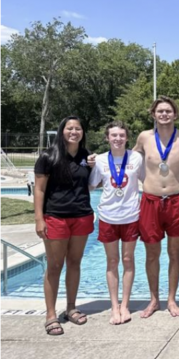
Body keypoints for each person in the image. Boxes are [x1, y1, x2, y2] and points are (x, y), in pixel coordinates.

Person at [133, 96, 179, 318]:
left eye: (168, 111)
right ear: (153, 114)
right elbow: (129, 160)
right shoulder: (144, 138)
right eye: (160, 111)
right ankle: (154, 299)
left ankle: (171, 299)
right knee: (152, 254)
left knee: (174, 252)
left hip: (176, 200)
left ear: (175, 114)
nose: (164, 114)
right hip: (150, 200)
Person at [34, 116, 95, 335]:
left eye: (78, 128)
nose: (74, 132)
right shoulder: (48, 157)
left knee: (75, 263)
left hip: (81, 216)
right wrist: (39, 219)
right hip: (55, 217)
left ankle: (71, 307)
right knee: (54, 266)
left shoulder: (86, 157)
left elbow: (90, 185)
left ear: (82, 132)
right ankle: (51, 315)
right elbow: (39, 190)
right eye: (69, 128)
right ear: (62, 131)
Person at [89, 121, 144, 325]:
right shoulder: (100, 160)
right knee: (112, 262)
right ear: (107, 138)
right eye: (114, 135)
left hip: (131, 216)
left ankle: (125, 305)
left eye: (121, 135)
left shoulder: (136, 158)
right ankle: (114, 306)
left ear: (127, 137)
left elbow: (148, 180)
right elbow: (90, 185)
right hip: (108, 217)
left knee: (128, 261)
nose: (118, 139)